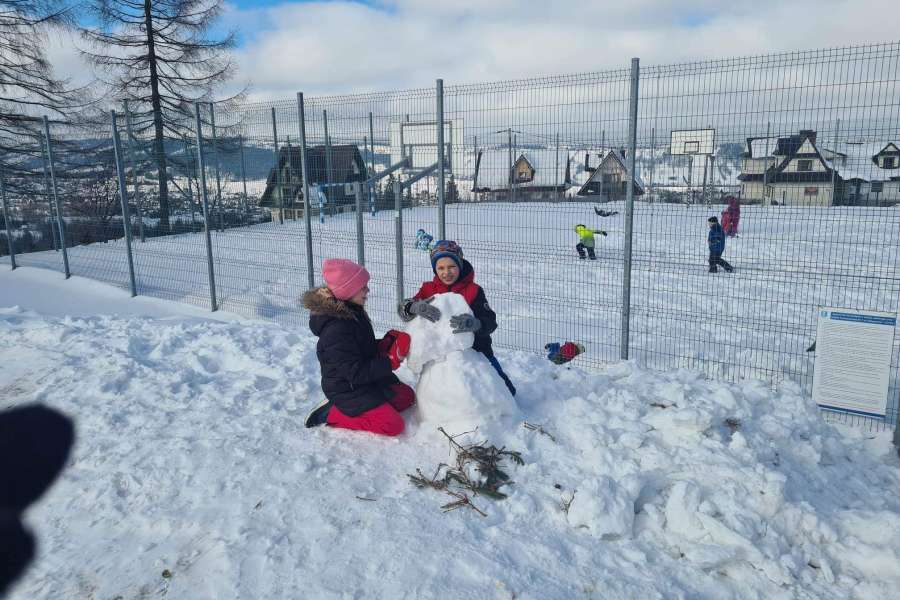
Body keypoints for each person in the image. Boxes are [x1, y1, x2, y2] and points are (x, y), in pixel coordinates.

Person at [302, 258, 415, 436]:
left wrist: (384, 345)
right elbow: (354, 372)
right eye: (363, 287)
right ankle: (331, 412)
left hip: (365, 381)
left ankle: (371, 405)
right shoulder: (336, 329)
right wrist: (389, 362)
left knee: (406, 397)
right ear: (348, 291)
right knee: (392, 425)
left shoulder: (353, 311)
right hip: (347, 388)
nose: (368, 290)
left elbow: (360, 349)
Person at [398, 240, 517, 397]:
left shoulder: (473, 291)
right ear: (435, 269)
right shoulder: (428, 289)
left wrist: (476, 324)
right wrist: (412, 307)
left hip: (477, 351)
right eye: (440, 268)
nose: (446, 272)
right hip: (440, 355)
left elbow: (490, 322)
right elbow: (403, 311)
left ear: (460, 265)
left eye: (451, 266)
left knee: (506, 392)